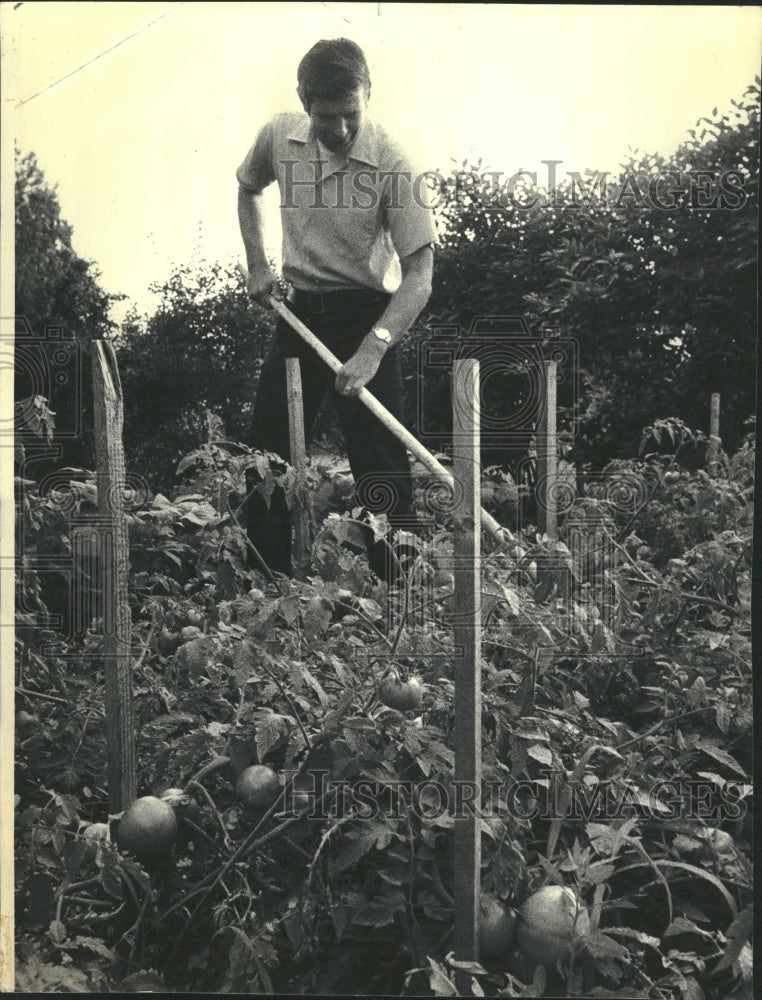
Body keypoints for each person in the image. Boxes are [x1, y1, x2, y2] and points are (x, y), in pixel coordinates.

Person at [237, 38, 436, 582]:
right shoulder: (278, 136)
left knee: (382, 466)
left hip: (370, 318)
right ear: (304, 101)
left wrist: (375, 348)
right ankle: (266, 585)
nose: (341, 130)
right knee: (267, 456)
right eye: (328, 117)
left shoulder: (395, 164)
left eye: (352, 114)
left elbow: (420, 277)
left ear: (368, 95)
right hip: (298, 317)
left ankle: (401, 592)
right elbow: (247, 187)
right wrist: (258, 265)